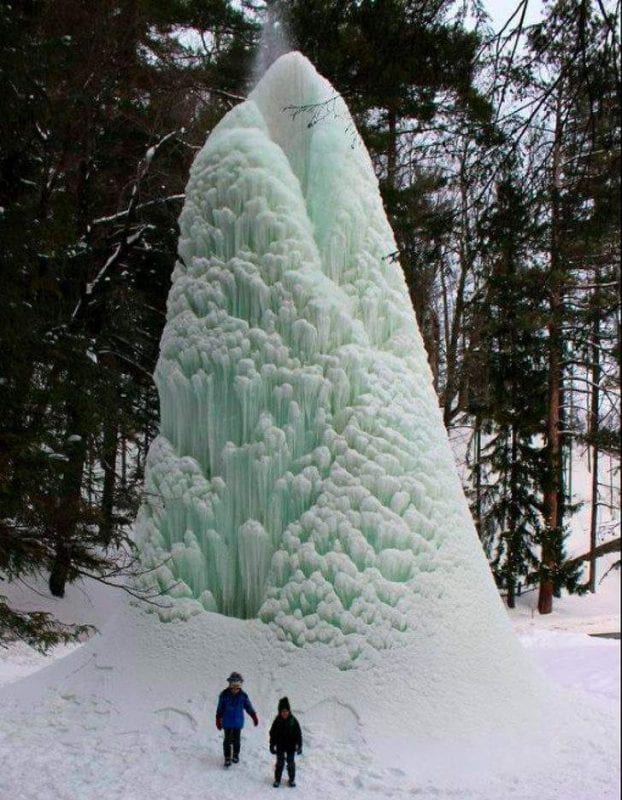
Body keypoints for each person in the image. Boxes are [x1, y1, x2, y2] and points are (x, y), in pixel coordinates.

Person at [215, 671, 259, 767]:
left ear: (240, 686)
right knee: (227, 740)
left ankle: (235, 754)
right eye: (233, 686)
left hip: (238, 722)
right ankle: (227, 757)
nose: (235, 689)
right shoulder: (224, 695)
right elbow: (220, 708)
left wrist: (253, 716)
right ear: (230, 685)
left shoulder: (243, 696)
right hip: (227, 722)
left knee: (236, 740)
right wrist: (218, 719)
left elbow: (248, 706)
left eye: (237, 686)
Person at [269, 696, 303, 788]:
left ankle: (291, 780)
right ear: (280, 712)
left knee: (291, 763)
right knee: (280, 763)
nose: (285, 713)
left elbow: (298, 734)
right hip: (280, 745)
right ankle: (277, 780)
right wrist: (272, 745)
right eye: (282, 711)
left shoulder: (293, 721)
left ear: (289, 711)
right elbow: (272, 734)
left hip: (291, 746)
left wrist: (299, 746)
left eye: (286, 711)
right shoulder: (277, 721)